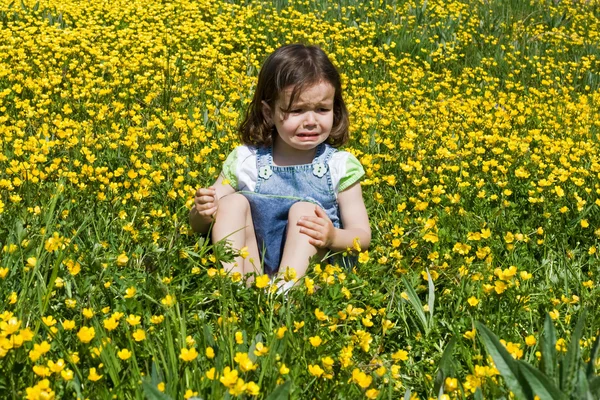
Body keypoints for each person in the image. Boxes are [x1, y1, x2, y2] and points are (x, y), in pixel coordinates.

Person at [189, 44, 371, 285]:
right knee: (230, 203)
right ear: (268, 113)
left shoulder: (339, 166)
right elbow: (199, 224)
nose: (311, 121)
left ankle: (285, 292)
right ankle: (235, 287)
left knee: (304, 211)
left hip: (313, 276)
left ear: (335, 109)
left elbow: (362, 236)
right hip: (256, 266)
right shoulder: (247, 161)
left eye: (322, 109)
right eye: (296, 110)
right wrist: (203, 211)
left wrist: (332, 236)